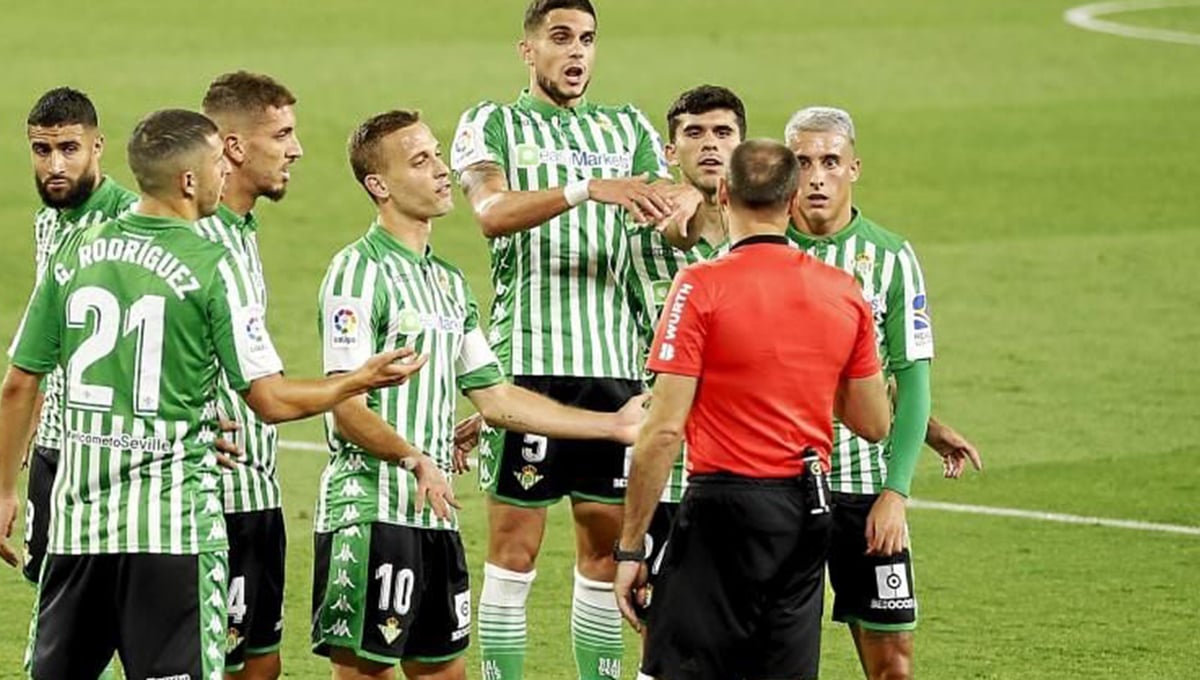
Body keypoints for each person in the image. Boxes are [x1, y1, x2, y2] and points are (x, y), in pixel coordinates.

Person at [0, 108, 424, 680]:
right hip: (173, 534)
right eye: (217, 164)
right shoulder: (214, 264)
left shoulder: (74, 252)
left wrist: (3, 489)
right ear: (188, 180)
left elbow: (19, 383)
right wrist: (355, 380)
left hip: (77, 533)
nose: (226, 174)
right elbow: (270, 400)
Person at [312, 109, 646, 680]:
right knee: (368, 672)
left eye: (438, 155)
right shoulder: (357, 273)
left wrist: (612, 426)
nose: (442, 170)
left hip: (434, 514)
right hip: (371, 513)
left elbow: (495, 397)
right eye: (420, 161)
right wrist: (414, 457)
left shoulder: (446, 281)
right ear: (379, 185)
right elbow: (345, 407)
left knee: (446, 671)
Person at [450, 1, 703, 677]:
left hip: (616, 372)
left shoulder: (628, 127)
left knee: (604, 554)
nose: (576, 52)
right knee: (514, 552)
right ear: (527, 50)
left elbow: (671, 219)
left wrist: (693, 203)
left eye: (587, 39)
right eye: (560, 38)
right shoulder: (492, 122)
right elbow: (489, 211)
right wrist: (586, 189)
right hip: (528, 365)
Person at [614, 139, 892, 680]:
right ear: (792, 200)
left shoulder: (700, 285)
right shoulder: (842, 290)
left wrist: (630, 550)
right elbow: (874, 422)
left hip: (723, 506)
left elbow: (663, 432)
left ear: (723, 192)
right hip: (806, 509)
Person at [783, 106, 982, 680]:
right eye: (802, 163)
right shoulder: (761, 247)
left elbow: (912, 377)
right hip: (780, 486)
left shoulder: (891, 257)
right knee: (777, 660)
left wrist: (895, 492)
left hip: (865, 488)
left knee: (892, 661)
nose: (816, 177)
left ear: (855, 168)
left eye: (830, 162)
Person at [624, 84, 743, 680]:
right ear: (670, 153)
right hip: (667, 478)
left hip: (751, 472)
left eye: (723, 133)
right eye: (694, 134)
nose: (710, 145)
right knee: (664, 647)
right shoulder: (636, 243)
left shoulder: (779, 240)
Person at [195, 70, 304, 680]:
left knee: (262, 664)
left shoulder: (240, 231)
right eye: (281, 135)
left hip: (257, 491)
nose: (296, 149)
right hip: (212, 500)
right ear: (234, 147)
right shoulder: (199, 242)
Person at [20, 87, 138, 591]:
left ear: (97, 146)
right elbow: (45, 345)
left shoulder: (131, 221)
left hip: (112, 452)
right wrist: (25, 433)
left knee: (105, 602)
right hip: (53, 446)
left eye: (69, 148)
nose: (55, 165)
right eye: (42, 150)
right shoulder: (47, 222)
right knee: (49, 597)